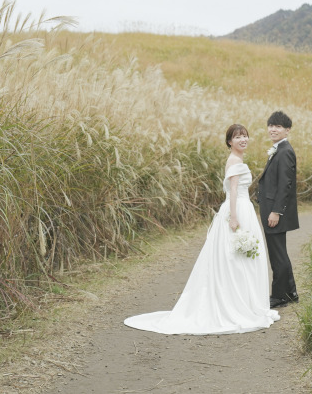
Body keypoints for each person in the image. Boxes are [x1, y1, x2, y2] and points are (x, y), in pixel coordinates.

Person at [124, 124, 279, 334]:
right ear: (229, 142)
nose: (243, 139)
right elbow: (233, 190)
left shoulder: (237, 159)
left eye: (245, 136)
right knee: (236, 257)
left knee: (240, 257)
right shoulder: (234, 160)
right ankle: (238, 304)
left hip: (242, 209)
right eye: (237, 137)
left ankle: (243, 302)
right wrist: (234, 217)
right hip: (238, 210)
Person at [257, 111, 299, 309]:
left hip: (275, 212)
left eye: (278, 126)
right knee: (279, 252)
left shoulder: (285, 151)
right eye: (271, 125)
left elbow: (285, 185)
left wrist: (276, 211)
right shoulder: (279, 149)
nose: (273, 129)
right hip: (272, 210)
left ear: (287, 130)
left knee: (277, 254)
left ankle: (280, 296)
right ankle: (290, 292)